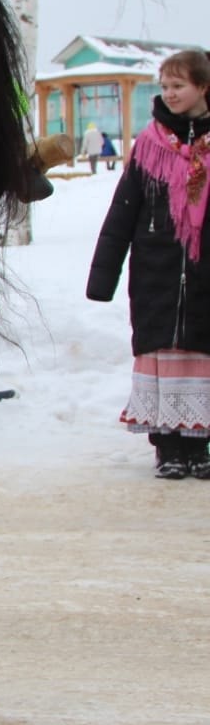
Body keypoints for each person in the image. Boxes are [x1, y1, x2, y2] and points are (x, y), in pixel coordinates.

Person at [87, 49, 210, 480]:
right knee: (161, 355)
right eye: (165, 86)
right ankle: (167, 447)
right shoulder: (149, 146)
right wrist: (103, 276)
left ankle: (200, 446)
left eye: (179, 86)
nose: (170, 94)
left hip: (203, 276)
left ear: (203, 88)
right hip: (156, 274)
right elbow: (122, 214)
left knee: (201, 354)